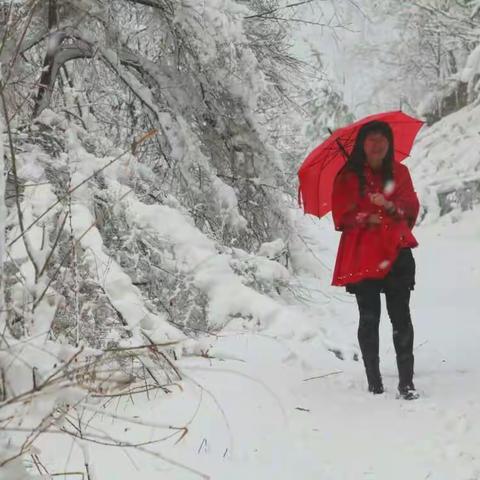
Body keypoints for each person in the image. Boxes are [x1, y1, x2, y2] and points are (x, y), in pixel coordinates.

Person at [331, 120, 420, 400]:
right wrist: (364, 216)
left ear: (389, 143)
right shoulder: (348, 176)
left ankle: (406, 382)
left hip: (395, 250)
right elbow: (341, 215)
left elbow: (412, 206)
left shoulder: (400, 172)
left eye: (383, 138)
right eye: (371, 139)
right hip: (363, 255)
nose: (378, 144)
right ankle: (374, 380)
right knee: (369, 318)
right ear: (362, 144)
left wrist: (390, 205)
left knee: (401, 317)